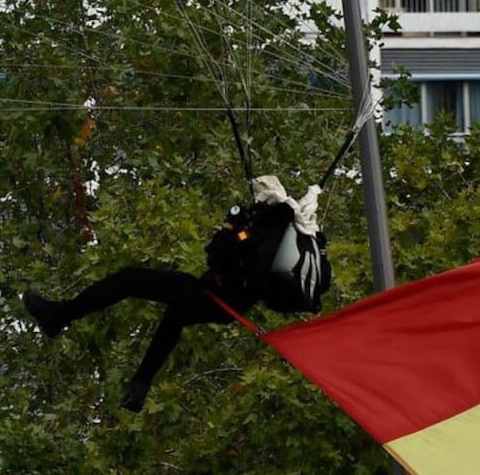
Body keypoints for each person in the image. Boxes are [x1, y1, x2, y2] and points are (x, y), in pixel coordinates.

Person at [22, 177, 298, 412]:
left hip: (216, 296)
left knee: (130, 279)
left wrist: (230, 227)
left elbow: (216, 255)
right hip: (223, 300)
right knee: (173, 318)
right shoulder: (277, 233)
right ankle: (139, 387)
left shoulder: (265, 231)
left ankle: (58, 315)